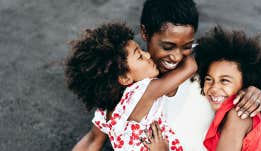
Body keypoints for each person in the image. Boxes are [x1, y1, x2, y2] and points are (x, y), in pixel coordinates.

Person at [71, 0, 261, 150]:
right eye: (167, 46)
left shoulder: (209, 64)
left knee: (239, 116)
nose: (176, 56)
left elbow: (248, 112)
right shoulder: (124, 86)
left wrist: (255, 94)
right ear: (145, 33)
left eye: (186, 46)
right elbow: (93, 139)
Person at [65, 22, 197, 151]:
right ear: (125, 78)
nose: (148, 54)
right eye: (140, 56)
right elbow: (190, 67)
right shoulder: (144, 91)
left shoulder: (105, 109)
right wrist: (185, 45)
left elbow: (92, 141)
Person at [195, 26, 261, 151]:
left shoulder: (238, 115)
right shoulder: (240, 112)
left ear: (245, 85)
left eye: (224, 81)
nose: (214, 88)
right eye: (209, 79)